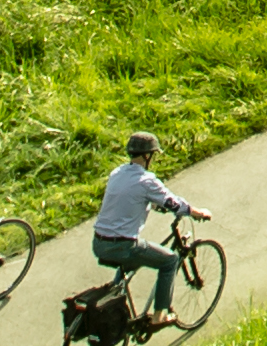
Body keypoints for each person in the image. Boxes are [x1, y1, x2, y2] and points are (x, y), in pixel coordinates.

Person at [90, 129, 212, 320]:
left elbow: (128, 197)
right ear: (147, 155)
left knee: (130, 263)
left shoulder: (117, 173)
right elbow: (174, 203)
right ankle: (160, 315)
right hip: (122, 246)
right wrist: (197, 212)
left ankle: (113, 300)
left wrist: (153, 203)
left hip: (99, 244)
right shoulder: (147, 181)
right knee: (169, 260)